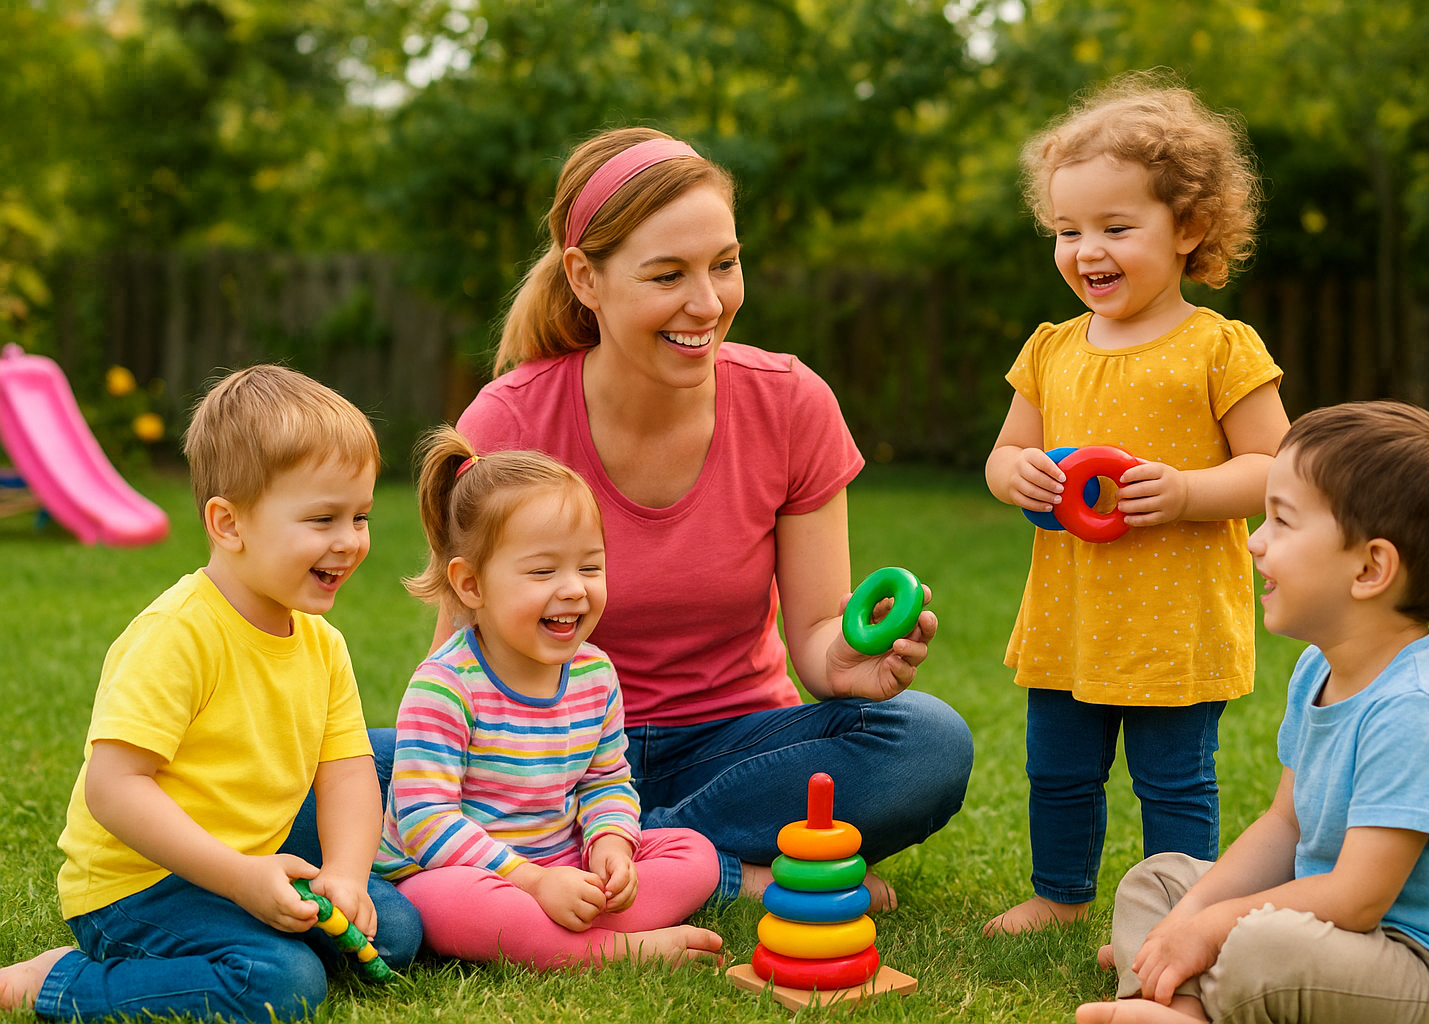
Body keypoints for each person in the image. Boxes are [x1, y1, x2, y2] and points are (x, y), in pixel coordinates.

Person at [440, 126, 973, 909]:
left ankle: (628, 857)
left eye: (725, 264)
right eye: (667, 275)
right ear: (586, 278)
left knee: (925, 743)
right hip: (550, 756)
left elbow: (819, 639)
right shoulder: (506, 424)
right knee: (335, 778)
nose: (708, 302)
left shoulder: (790, 404)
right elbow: (458, 664)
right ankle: (713, 870)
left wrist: (851, 668)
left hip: (733, 752)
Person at [1078, 401, 1429, 1024]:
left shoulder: (1421, 711)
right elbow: (1285, 826)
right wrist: (1192, 916)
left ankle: (1184, 988)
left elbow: (1358, 898)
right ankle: (1174, 996)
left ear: (1370, 568)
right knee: (1159, 881)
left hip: (1427, 979)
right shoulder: (1320, 667)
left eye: (1281, 522)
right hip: (1323, 930)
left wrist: (1216, 928)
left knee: (1260, 942)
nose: (1255, 542)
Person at [0, 365, 420, 1020]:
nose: (350, 541)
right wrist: (241, 878)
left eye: (360, 515)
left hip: (254, 849)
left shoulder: (320, 643)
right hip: (142, 885)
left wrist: (342, 870)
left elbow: (345, 772)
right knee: (282, 983)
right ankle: (54, 980)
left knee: (394, 933)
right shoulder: (179, 635)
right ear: (228, 524)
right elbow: (114, 790)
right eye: (322, 518)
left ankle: (290, 903)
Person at [983, 73, 1291, 935]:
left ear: (1188, 228)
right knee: (1060, 769)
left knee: (1174, 781)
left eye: (1116, 228)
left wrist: (1191, 490)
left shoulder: (1218, 347)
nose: (1088, 250)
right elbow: (1004, 455)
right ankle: (1061, 894)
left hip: (1174, 618)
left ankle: (1177, 910)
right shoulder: (1051, 349)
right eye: (1068, 230)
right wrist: (1017, 476)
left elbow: (1275, 465)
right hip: (1073, 611)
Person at [375, 428, 723, 967]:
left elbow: (605, 780)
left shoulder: (594, 674)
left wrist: (610, 847)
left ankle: (571, 927)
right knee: (445, 906)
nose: (574, 588)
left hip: (562, 860)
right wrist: (533, 882)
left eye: (590, 566)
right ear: (471, 586)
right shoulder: (445, 686)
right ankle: (609, 950)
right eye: (543, 571)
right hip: (464, 873)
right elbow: (426, 820)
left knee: (694, 854)